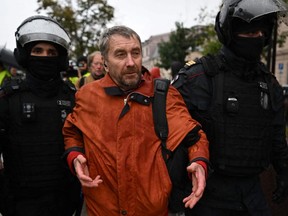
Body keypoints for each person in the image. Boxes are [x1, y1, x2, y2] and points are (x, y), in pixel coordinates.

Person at [62, 25, 210, 216]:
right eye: (121, 54)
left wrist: (199, 161)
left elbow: (194, 136)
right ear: (105, 62)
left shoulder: (163, 95)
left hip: (153, 210)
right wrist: (75, 155)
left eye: (136, 53)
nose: (131, 62)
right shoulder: (87, 96)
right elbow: (72, 131)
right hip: (101, 209)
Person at [172, 0, 288, 215]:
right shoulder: (198, 77)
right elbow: (171, 134)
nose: (257, 37)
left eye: (262, 32)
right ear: (229, 32)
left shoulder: (269, 84)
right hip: (207, 194)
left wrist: (283, 172)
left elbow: (276, 136)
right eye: (250, 32)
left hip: (252, 194)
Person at [0, 15, 81, 216]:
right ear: (25, 55)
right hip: (19, 205)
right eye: (38, 50)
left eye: (51, 52)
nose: (45, 57)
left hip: (65, 203)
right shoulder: (8, 97)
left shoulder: (72, 97)